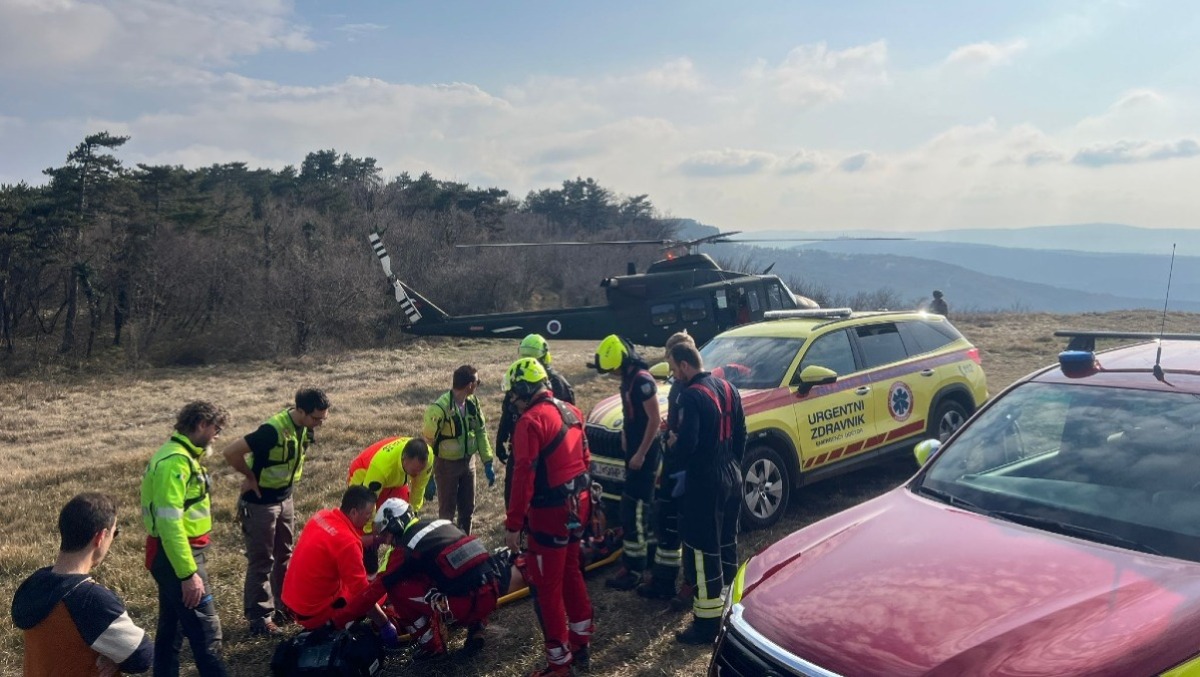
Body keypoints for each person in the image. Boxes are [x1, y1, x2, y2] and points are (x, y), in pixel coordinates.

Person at [504, 357, 594, 676]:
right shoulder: (572, 411)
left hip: (550, 513)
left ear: (525, 389)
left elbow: (523, 475)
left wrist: (514, 524)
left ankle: (559, 665)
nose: (512, 402)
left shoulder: (529, 422)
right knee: (571, 570)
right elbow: (585, 460)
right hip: (578, 504)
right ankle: (581, 639)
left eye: (514, 395)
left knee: (547, 587)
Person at [222, 388, 329, 636]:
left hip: (284, 498)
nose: (319, 424)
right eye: (315, 418)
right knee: (262, 561)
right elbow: (231, 451)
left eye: (323, 418)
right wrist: (249, 476)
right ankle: (260, 618)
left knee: (284, 555)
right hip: (261, 504)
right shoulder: (271, 430)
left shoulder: (305, 427)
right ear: (300, 411)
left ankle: (284, 607)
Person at [13, 492, 153, 677]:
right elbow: (143, 656)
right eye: (114, 533)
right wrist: (116, 658)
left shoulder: (35, 584)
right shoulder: (90, 601)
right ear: (100, 537)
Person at [141, 400, 230, 676]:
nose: (218, 434)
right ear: (202, 424)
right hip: (178, 557)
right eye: (216, 428)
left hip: (173, 555)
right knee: (207, 633)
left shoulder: (180, 454)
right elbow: (170, 524)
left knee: (172, 628)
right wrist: (188, 573)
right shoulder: (175, 462)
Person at [668, 342, 747, 644]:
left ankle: (706, 623)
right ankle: (727, 608)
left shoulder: (691, 396)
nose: (675, 375)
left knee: (702, 550)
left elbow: (689, 444)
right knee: (728, 542)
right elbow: (741, 433)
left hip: (705, 481)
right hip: (732, 474)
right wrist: (733, 465)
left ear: (685, 365)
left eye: (675, 369)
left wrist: (673, 445)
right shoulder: (729, 388)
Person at [373, 498, 500, 659]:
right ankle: (478, 624)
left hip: (463, 605)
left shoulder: (406, 548)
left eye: (385, 534)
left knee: (397, 588)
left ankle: (431, 646)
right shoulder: (442, 524)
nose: (386, 540)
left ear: (395, 525)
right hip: (492, 591)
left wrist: (339, 619)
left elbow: (377, 587)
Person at [279, 486, 397, 643]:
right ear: (354, 512)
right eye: (368, 514)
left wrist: (377, 539)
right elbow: (363, 596)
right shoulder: (348, 544)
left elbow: (340, 540)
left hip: (291, 602)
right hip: (312, 613)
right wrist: (384, 624)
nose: (370, 518)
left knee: (357, 586)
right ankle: (338, 626)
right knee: (377, 596)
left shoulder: (321, 516)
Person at [593, 334, 662, 591]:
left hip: (644, 454)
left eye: (614, 370)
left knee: (635, 510)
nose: (612, 375)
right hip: (633, 449)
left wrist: (641, 453)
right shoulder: (628, 379)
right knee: (634, 508)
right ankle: (642, 561)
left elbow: (654, 420)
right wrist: (624, 436)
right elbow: (629, 412)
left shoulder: (643, 381)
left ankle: (634, 568)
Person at [637, 331, 694, 608]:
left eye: (671, 364)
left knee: (685, 526)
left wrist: (674, 437)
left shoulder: (692, 390)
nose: (671, 370)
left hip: (686, 468)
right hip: (672, 464)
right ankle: (663, 580)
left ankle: (688, 584)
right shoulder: (679, 387)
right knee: (665, 521)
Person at [496, 334, 575, 507]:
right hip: (521, 448)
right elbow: (508, 410)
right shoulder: (518, 379)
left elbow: (568, 422)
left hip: (547, 450)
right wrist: (501, 438)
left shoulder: (558, 384)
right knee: (514, 492)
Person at [423, 365, 494, 534]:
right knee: (447, 512)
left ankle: (464, 542)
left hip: (468, 463)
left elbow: (480, 431)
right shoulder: (440, 409)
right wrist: (428, 475)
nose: (478, 385)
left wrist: (487, 461)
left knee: (468, 509)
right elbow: (428, 443)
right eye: (477, 382)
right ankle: (446, 546)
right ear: (470, 385)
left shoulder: (473, 403)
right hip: (446, 465)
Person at [347, 436, 434, 515]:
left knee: (401, 511)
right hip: (363, 472)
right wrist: (370, 529)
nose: (418, 474)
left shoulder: (428, 457)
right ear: (404, 458)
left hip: (392, 478)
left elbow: (419, 488)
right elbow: (367, 501)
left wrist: (413, 512)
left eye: (421, 470)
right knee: (359, 513)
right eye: (414, 470)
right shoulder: (381, 468)